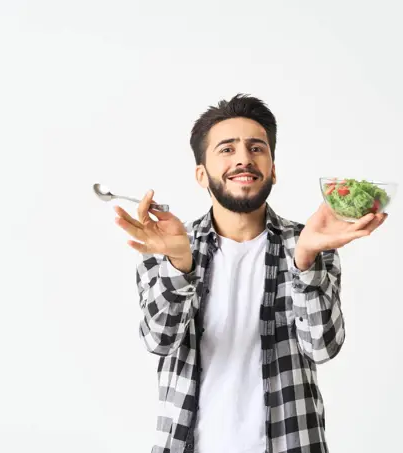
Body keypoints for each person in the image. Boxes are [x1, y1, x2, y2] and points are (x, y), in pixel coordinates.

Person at [114, 94, 387, 453]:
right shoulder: (167, 246)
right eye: (227, 149)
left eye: (256, 148)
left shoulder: (308, 243)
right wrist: (181, 264)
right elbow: (159, 341)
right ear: (202, 174)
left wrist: (305, 258)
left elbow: (322, 347)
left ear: (272, 168)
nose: (244, 158)